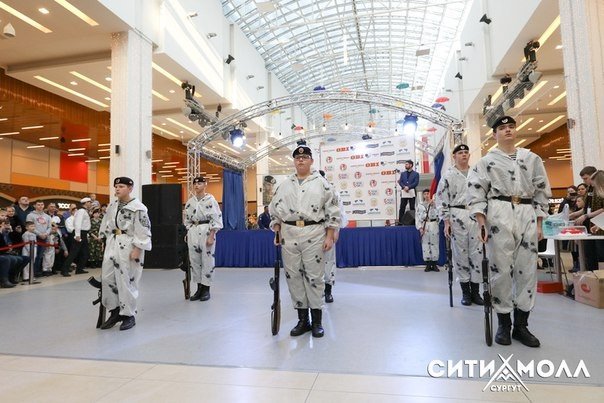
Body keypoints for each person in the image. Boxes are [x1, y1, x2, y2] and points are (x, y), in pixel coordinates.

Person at [467, 115, 551, 348]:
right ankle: (504, 323)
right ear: (494, 134)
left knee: (527, 270)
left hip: (526, 211)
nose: (507, 131)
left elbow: (542, 190)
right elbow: (476, 192)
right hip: (499, 212)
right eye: (502, 128)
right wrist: (482, 222)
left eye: (511, 127)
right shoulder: (485, 162)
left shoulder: (531, 158)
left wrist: (540, 223)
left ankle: (521, 325)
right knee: (501, 270)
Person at [269, 145, 340, 338]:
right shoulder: (285, 185)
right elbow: (274, 209)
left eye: (305, 157)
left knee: (315, 277)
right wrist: (276, 228)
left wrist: (329, 235)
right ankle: (303, 320)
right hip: (289, 234)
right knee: (293, 277)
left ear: (311, 161)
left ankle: (317, 321)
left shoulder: (322, 183)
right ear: (294, 161)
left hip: (313, 232)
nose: (301, 160)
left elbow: (333, 210)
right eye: (298, 158)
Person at [98, 177, 152, 331]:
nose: (117, 189)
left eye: (121, 186)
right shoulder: (112, 206)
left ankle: (128, 315)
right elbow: (106, 223)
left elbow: (143, 229)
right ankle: (115, 311)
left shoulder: (138, 207)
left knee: (126, 280)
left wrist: (138, 248)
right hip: (113, 242)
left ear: (130, 188)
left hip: (128, 244)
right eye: (115, 186)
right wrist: (103, 239)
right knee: (107, 278)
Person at [435, 144, 483, 305]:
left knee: (477, 254)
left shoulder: (477, 173)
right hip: (457, 215)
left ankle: (476, 292)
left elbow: (484, 195)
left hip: (475, 215)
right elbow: (441, 199)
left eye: (466, 152)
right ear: (454, 156)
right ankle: (466, 293)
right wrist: (446, 221)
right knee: (460, 254)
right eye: (460, 153)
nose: (463, 155)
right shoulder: (448, 175)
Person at [183, 176, 223, 302]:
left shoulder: (211, 200)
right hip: (194, 230)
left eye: (200, 183)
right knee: (194, 260)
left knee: (207, 260)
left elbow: (216, 218)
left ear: (205, 184)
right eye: (195, 183)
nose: (197, 185)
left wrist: (212, 234)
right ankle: (199, 287)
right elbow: (187, 218)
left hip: (206, 229)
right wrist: (188, 231)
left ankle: (206, 288)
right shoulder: (190, 201)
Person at [318, 169, 347, 303]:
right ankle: (315, 291)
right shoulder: (308, 192)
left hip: (328, 231)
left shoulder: (333, 192)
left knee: (328, 262)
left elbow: (339, 213)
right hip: (312, 233)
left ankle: (328, 290)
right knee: (312, 264)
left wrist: (336, 231)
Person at [573, 166, 604, 269]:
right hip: (594, 226)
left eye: (586, 178)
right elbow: (586, 208)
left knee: (601, 255)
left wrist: (587, 215)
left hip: (599, 229)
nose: (585, 181)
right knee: (590, 255)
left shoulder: (600, 190)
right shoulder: (589, 190)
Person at [61, 197, 92, 276]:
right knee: (73, 252)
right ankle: (64, 270)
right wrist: (77, 235)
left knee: (85, 252)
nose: (90, 204)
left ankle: (79, 269)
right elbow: (78, 223)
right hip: (80, 233)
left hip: (83, 233)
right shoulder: (81, 211)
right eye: (89, 202)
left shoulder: (83, 211)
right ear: (85, 203)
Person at [416, 189, 440, 272]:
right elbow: (417, 217)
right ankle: (428, 264)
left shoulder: (435, 204)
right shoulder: (420, 205)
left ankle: (434, 263)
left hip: (433, 223)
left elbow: (440, 214)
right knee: (425, 244)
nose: (426, 195)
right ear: (423, 195)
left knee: (434, 243)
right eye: (425, 194)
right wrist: (420, 228)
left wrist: (434, 205)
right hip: (425, 224)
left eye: (428, 193)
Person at [26, 201, 51, 277]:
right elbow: (29, 227)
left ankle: (36, 271)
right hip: (34, 237)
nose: (40, 206)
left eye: (42, 204)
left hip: (44, 237)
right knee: (34, 255)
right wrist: (39, 234)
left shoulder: (47, 216)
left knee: (40, 255)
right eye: (38, 205)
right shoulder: (30, 215)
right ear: (35, 206)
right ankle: (31, 272)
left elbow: (49, 227)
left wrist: (46, 234)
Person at [398, 160, 419, 224]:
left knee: (412, 207)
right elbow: (400, 181)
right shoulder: (403, 173)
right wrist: (404, 187)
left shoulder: (416, 174)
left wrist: (408, 187)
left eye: (407, 164)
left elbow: (416, 182)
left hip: (411, 192)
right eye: (405, 164)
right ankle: (400, 221)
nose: (405, 165)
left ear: (411, 165)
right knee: (402, 207)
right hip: (404, 192)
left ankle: (412, 222)